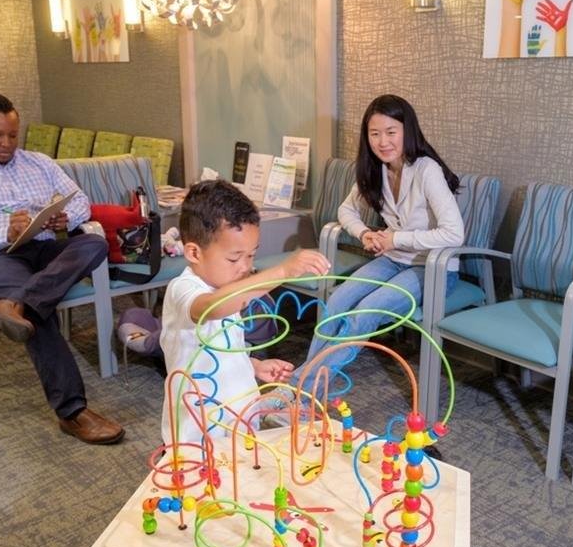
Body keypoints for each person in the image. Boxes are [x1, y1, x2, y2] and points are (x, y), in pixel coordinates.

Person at [0, 92, 123, 444]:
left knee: (93, 243)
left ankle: (18, 304)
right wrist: (5, 231)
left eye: (13, 135)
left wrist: (66, 217)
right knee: (39, 316)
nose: (7, 144)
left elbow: (78, 199)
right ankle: (72, 411)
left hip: (44, 248)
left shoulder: (38, 162)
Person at [297, 94, 464, 395]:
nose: (383, 141)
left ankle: (303, 389)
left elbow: (454, 233)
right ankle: (306, 383)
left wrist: (395, 238)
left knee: (366, 311)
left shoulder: (427, 170)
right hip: (393, 259)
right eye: (375, 134)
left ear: (406, 131)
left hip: (433, 268)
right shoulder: (376, 169)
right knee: (336, 302)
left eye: (391, 132)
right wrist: (364, 234)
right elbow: (346, 211)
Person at [160, 180, 330, 448]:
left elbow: (225, 347)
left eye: (251, 256)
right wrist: (282, 272)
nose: (245, 267)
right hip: (201, 430)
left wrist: (253, 366)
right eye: (234, 258)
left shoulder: (227, 288)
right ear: (193, 252)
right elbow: (210, 308)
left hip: (241, 417)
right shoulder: (184, 289)